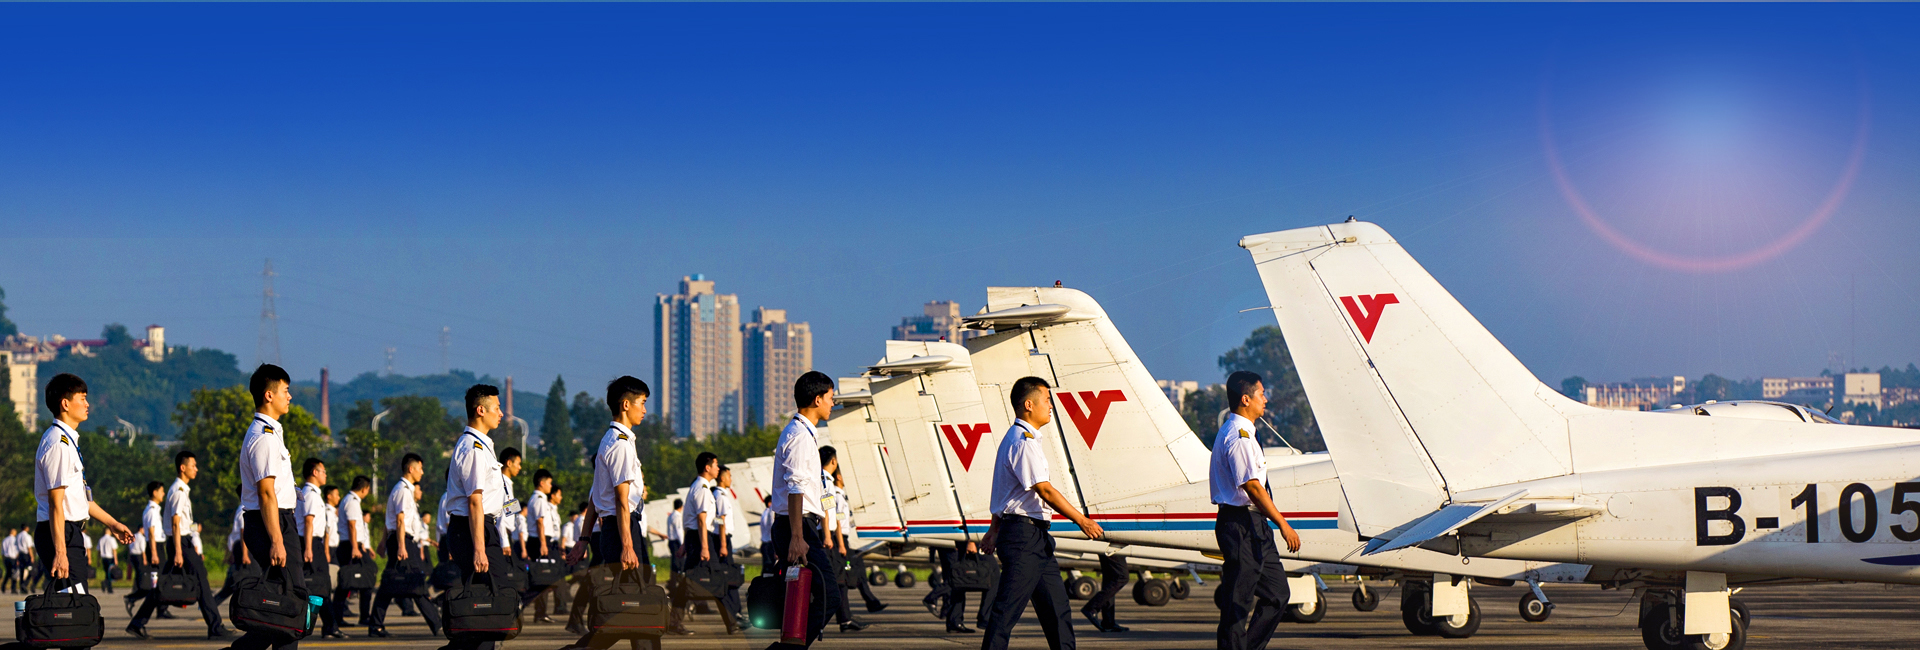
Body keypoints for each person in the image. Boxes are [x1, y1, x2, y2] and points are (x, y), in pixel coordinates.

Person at [978, 376, 1105, 650]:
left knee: (1057, 611)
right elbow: (1044, 490)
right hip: (1024, 538)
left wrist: (993, 530)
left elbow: (1005, 494)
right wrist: (1081, 520)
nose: (1051, 406)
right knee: (1005, 612)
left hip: (1033, 537)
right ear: (1028, 404)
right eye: (1047, 400)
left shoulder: (1021, 439)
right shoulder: (1023, 441)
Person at [1210, 371, 1303, 650]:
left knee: (1277, 594)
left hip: (1255, 526)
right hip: (1240, 524)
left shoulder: (1248, 432)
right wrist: (1283, 524)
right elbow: (1252, 487)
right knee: (1237, 605)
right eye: (1262, 393)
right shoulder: (1238, 436)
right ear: (1245, 398)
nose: (1266, 399)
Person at [562, 375, 653, 650]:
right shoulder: (621, 444)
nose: (645, 409)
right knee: (634, 603)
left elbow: (593, 498)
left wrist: (584, 539)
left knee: (635, 604)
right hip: (621, 529)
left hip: (615, 529)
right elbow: (621, 501)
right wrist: (627, 545)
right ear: (626, 405)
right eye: (642, 403)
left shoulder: (610, 440)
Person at [32, 373, 136, 603]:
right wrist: (60, 552)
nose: (87, 404)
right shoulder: (59, 443)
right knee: (73, 604)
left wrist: (113, 524)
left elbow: (82, 499)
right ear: (65, 403)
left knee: (73, 604)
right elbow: (55, 503)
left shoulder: (68, 441)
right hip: (61, 534)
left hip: (68, 532)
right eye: (83, 398)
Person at [232, 363, 307, 650]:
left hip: (276, 521)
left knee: (280, 609)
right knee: (291, 604)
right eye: (285, 391)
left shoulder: (271, 433)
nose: (290, 397)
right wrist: (277, 540)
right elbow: (266, 494)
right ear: (268, 395)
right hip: (271, 524)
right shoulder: (263, 437)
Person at [764, 371, 838, 650]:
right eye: (830, 398)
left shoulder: (805, 433)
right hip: (797, 526)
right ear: (817, 399)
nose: (833, 403)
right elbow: (795, 488)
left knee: (803, 596)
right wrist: (797, 536)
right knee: (830, 595)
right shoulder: (799, 436)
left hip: (800, 525)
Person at [440, 384, 515, 650]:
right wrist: (480, 549)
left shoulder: (482, 445)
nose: (502, 413)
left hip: (480, 528)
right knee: (491, 605)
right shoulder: (473, 448)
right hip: (473, 530)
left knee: (486, 608)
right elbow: (475, 501)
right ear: (480, 410)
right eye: (497, 408)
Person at [134, 450, 230, 639]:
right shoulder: (178, 491)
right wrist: (179, 551)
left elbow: (183, 522)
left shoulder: (181, 490)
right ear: (182, 468)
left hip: (181, 541)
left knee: (164, 583)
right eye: (193, 466)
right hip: (180, 544)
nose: (196, 469)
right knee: (201, 578)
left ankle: (137, 622)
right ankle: (215, 626)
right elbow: (176, 522)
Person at [368, 453, 441, 638]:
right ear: (411, 469)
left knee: (390, 584)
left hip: (401, 540)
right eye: (420, 468)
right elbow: (399, 521)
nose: (422, 472)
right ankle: (438, 625)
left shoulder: (404, 490)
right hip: (403, 541)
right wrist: (400, 545)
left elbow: (390, 520)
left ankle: (375, 625)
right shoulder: (402, 490)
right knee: (415, 581)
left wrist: (384, 542)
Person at [675, 452, 724, 635]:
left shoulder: (698, 487)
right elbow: (701, 520)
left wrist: (685, 544)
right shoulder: (702, 488)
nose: (718, 468)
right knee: (715, 576)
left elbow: (691, 519)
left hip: (695, 538)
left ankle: (674, 620)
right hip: (701, 538)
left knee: (690, 580)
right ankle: (732, 619)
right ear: (707, 467)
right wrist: (704, 546)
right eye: (716, 464)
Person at [821, 454, 867, 633]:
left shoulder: (831, 487)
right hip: (832, 538)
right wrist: (836, 540)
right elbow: (832, 516)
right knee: (835, 581)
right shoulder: (828, 485)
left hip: (834, 537)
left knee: (840, 581)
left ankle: (845, 620)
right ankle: (830, 622)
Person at [294, 459, 337, 639]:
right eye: (323, 471)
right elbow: (308, 522)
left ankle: (327, 625)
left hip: (315, 543)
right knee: (318, 585)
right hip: (310, 543)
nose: (325, 474)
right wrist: (309, 549)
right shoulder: (310, 494)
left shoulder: (313, 493)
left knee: (320, 586)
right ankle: (324, 626)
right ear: (314, 472)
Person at [834, 469, 886, 616]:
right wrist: (842, 544)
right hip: (843, 542)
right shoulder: (837, 497)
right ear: (838, 477)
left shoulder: (842, 497)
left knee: (858, 573)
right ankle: (846, 616)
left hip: (849, 542)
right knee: (846, 576)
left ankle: (871, 603)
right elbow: (837, 521)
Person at [124, 480, 167, 638]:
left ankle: (143, 618)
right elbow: (151, 532)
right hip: (155, 548)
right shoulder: (151, 510)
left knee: (159, 586)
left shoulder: (154, 509)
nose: (163, 494)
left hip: (157, 547)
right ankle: (137, 622)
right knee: (158, 587)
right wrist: (154, 553)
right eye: (162, 491)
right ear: (154, 492)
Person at [335, 476, 373, 628]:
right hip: (350, 546)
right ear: (364, 489)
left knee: (355, 582)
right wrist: (355, 547)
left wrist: (360, 544)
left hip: (353, 545)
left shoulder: (350, 500)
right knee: (346, 583)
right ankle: (342, 617)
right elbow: (352, 525)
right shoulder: (352, 501)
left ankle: (361, 616)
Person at [713, 465, 749, 630]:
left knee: (729, 577)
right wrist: (722, 544)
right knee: (728, 578)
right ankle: (735, 614)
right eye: (729, 476)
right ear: (722, 478)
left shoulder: (721, 494)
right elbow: (720, 520)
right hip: (723, 539)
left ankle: (736, 613)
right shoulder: (719, 495)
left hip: (724, 538)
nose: (731, 479)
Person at [526, 470, 561, 624]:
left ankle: (541, 612)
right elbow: (540, 522)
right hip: (540, 541)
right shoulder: (539, 499)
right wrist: (543, 544)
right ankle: (531, 607)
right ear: (541, 483)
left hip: (542, 540)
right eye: (549, 482)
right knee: (541, 578)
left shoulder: (539, 499)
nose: (550, 486)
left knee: (544, 579)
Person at [1080, 552, 1130, 633]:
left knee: (1111, 578)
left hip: (1107, 546)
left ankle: (1108, 621)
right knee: (1121, 577)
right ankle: (1092, 607)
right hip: (1113, 545)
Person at [212, 499, 248, 607]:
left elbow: (232, 535)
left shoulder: (241, 508)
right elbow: (242, 531)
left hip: (238, 548)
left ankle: (211, 604)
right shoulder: (243, 509)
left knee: (232, 584)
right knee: (238, 582)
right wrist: (245, 554)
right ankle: (211, 605)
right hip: (241, 549)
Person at [97, 525, 120, 594]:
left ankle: (106, 585)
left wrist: (98, 560)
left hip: (104, 558)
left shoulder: (101, 539)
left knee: (107, 573)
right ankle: (108, 586)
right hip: (110, 558)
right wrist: (116, 559)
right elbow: (114, 550)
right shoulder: (111, 539)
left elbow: (99, 551)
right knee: (110, 573)